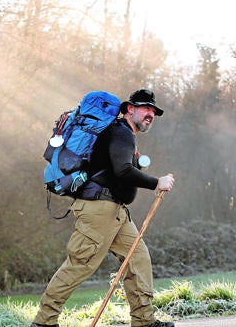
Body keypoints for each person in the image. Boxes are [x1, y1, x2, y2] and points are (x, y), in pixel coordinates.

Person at [30, 89, 176, 327]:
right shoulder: (121, 132)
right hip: (98, 209)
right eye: (145, 108)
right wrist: (156, 182)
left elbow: (119, 171)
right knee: (80, 264)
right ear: (130, 108)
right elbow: (123, 171)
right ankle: (44, 322)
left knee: (137, 258)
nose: (150, 114)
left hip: (115, 212)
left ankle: (144, 321)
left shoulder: (121, 133)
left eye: (153, 111)